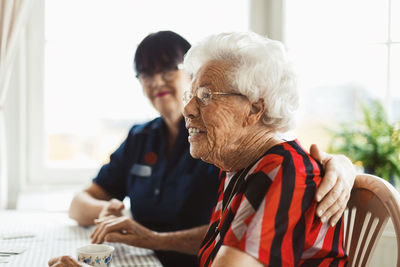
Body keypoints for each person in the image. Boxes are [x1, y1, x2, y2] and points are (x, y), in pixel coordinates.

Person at [49, 31, 354, 267]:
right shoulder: (237, 166)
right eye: (191, 95)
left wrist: (342, 163)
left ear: (254, 109)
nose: (188, 109)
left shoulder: (279, 171)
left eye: (206, 95)